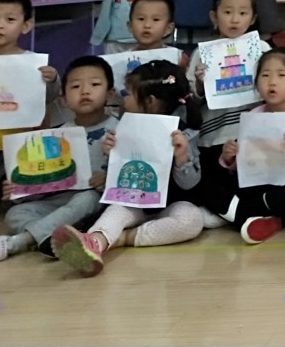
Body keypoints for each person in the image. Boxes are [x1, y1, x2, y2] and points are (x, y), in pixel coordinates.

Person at [51, 60, 203, 277]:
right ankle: (95, 242)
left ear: (149, 101)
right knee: (116, 210)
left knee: (192, 219)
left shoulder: (184, 133)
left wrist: (181, 158)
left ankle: (123, 238)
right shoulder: (122, 127)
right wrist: (110, 153)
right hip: (133, 202)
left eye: (129, 94)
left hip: (170, 205)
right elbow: (118, 176)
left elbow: (190, 185)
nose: (124, 98)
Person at [0, 56, 118, 266]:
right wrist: (18, 190)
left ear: (110, 93)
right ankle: (55, 237)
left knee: (87, 198)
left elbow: (129, 174)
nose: (85, 91)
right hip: (58, 201)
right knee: (15, 213)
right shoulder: (54, 136)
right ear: (63, 99)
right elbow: (42, 182)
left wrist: (108, 179)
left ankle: (19, 242)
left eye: (95, 84)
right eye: (75, 86)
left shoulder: (119, 129)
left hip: (96, 203)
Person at [211, 49, 285, 244]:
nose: (272, 82)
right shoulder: (254, 115)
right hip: (256, 185)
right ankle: (264, 219)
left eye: (281, 75)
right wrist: (230, 158)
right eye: (265, 75)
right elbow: (245, 163)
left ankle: (238, 214)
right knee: (211, 185)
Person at [0, 0, 59, 220]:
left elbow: (49, 98)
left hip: (21, 150)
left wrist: (52, 80)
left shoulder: (34, 65)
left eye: (10, 19)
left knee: (23, 203)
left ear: (26, 25)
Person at [188, 0, 266, 220]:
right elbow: (190, 98)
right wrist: (200, 83)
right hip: (214, 136)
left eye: (243, 13)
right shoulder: (202, 54)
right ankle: (242, 215)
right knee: (205, 185)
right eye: (227, 12)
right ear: (214, 16)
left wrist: (263, 76)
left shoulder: (262, 49)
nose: (234, 19)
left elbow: (276, 89)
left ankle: (233, 214)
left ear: (253, 18)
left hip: (252, 135)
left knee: (253, 185)